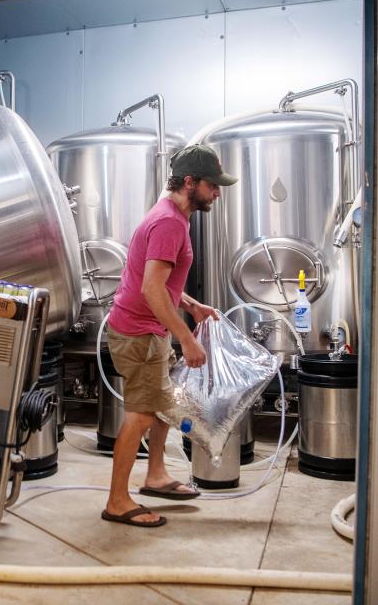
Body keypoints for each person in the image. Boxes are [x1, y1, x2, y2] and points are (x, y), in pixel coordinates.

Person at [100, 144, 237, 527]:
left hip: (150, 329)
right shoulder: (169, 223)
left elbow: (160, 280)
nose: (218, 192)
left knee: (162, 403)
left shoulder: (175, 216)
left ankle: (156, 474)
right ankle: (117, 502)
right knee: (141, 415)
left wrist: (191, 306)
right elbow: (151, 290)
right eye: (213, 185)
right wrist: (188, 339)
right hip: (139, 334)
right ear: (189, 182)